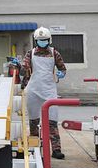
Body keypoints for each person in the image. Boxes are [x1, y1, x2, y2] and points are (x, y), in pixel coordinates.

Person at [19, 26, 68, 159]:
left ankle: (56, 150)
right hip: (33, 90)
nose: (42, 42)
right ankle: (34, 147)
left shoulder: (55, 53)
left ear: (49, 40)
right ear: (36, 40)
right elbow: (25, 68)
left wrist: (61, 73)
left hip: (49, 91)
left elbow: (63, 68)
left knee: (52, 121)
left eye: (44, 40)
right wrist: (19, 67)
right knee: (33, 121)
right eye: (40, 40)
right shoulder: (30, 53)